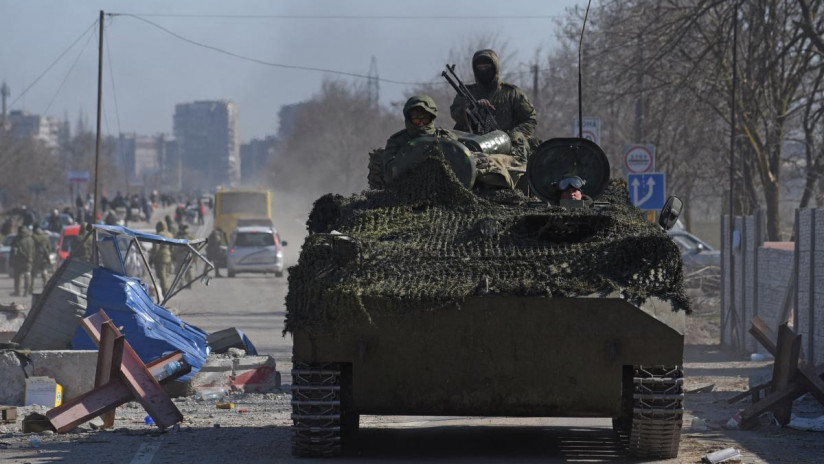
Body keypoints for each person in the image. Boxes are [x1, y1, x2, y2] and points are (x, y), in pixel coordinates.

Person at [449, 49, 537, 189]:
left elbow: (530, 119)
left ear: (495, 67)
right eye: (480, 67)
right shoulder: (466, 93)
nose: (483, 70)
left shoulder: (511, 93)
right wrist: (472, 108)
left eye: (487, 67)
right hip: (472, 145)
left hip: (505, 147)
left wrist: (513, 136)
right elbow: (456, 114)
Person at [368, 94, 458, 189]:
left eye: (425, 118)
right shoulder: (397, 141)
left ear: (432, 117)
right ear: (409, 119)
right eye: (416, 118)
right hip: (404, 192)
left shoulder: (445, 137)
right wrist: (410, 156)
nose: (421, 122)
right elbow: (389, 174)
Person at [150, 221, 173, 295]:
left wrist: (152, 259)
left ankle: (165, 292)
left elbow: (155, 248)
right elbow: (172, 247)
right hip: (168, 256)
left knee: (162, 276)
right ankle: (166, 290)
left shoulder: (158, 235)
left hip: (160, 257)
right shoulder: (170, 235)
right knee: (166, 275)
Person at [10, 225, 34, 297]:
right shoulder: (30, 239)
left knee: (17, 277)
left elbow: (13, 252)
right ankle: (26, 292)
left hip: (18, 262)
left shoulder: (16, 239)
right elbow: (34, 250)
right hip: (28, 261)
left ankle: (18, 292)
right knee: (27, 276)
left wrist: (11, 263)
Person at [30, 223, 52, 293]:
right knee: (44, 272)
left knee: (33, 274)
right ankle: (45, 287)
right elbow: (49, 248)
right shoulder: (46, 236)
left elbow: (31, 248)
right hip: (44, 257)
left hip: (35, 258)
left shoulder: (32, 236)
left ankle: (31, 288)